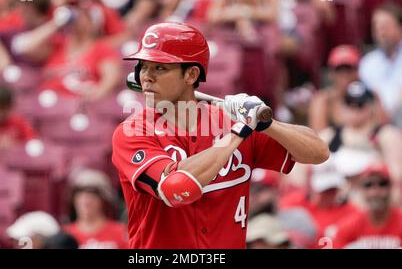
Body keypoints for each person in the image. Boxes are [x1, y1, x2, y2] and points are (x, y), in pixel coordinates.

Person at [112, 21, 329, 249]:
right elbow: (176, 190)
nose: (146, 76)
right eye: (143, 66)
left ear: (191, 74)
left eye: (160, 68)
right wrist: (237, 133)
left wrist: (267, 123)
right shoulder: (133, 132)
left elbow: (318, 153)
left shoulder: (231, 121)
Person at [332, 163, 402, 249]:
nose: (375, 192)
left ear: (391, 187)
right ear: (361, 189)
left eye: (382, 184)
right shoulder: (348, 226)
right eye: (368, 185)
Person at [63, 168, 129, 249]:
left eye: (93, 195)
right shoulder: (65, 234)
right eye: (80, 195)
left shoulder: (121, 233)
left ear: (104, 200)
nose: (86, 201)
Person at [359, 3, 402, 118]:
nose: (380, 32)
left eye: (385, 26)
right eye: (376, 27)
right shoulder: (367, 63)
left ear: (400, 27)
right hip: (377, 123)